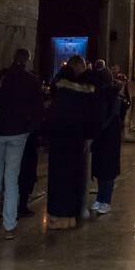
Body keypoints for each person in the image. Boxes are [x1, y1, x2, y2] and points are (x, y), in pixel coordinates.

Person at [0, 48, 44, 240]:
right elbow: (37, 109)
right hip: (18, 134)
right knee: (11, 179)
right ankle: (9, 226)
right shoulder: (31, 81)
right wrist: (29, 128)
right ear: (27, 61)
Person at [46, 56, 102, 230]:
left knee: (58, 179)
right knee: (73, 177)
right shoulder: (86, 90)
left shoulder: (60, 88)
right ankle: (71, 215)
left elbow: (51, 111)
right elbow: (92, 114)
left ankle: (57, 217)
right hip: (76, 139)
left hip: (59, 139)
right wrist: (89, 136)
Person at [90, 63, 124, 214]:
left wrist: (99, 128)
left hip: (109, 136)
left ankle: (106, 200)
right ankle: (99, 198)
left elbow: (110, 116)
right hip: (102, 135)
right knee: (100, 167)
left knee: (107, 169)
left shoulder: (113, 96)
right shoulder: (100, 95)